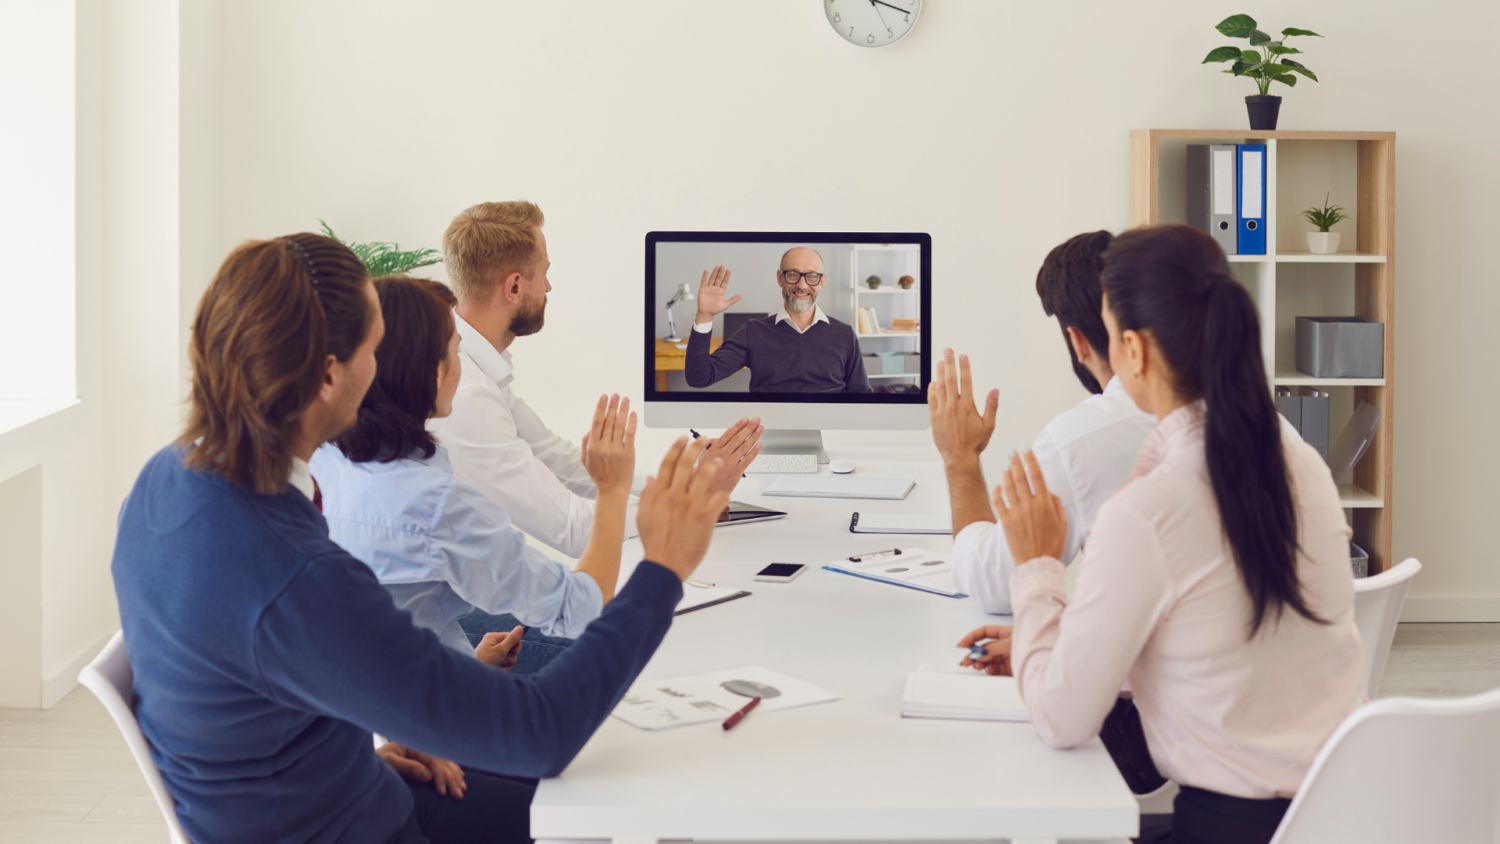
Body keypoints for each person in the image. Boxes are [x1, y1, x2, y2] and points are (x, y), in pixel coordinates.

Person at [111, 232, 731, 844]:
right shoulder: (300, 577)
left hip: (340, 796)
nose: (386, 370)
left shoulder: (168, 479)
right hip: (363, 829)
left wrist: (346, 762)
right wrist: (664, 567)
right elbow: (543, 733)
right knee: (634, 812)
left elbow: (235, 692)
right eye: (376, 351)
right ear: (331, 376)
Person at [958, 225, 1366, 844]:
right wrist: (1074, 640)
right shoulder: (1299, 459)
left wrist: (1038, 568)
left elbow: (1059, 719)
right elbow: (1219, 637)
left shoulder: (1149, 507)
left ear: (1132, 350)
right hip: (1338, 817)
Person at [311, 277, 629, 674]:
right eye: (455, 351)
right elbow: (582, 608)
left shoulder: (323, 464)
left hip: (389, 701)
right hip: (432, 720)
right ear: (429, 371)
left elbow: (383, 625)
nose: (463, 366)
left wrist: (471, 662)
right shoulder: (435, 503)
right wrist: (614, 488)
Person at [429, 200, 764, 562]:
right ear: (513, 287)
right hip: (455, 613)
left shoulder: (477, 367)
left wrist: (680, 483)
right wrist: (696, 497)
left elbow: (555, 459)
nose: (549, 287)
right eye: (543, 274)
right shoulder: (467, 395)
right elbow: (573, 531)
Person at [928, 231, 1155, 613]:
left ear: (1077, 341)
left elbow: (994, 585)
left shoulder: (1082, 441)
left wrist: (960, 460)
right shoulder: (1263, 421)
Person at [685, 247, 871, 392]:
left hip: (830, 428)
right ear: (780, 278)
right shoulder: (754, 332)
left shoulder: (844, 334)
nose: (802, 285)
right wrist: (704, 316)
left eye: (812, 276)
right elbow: (699, 378)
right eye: (792, 275)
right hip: (769, 429)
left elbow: (861, 394)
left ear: (821, 282)